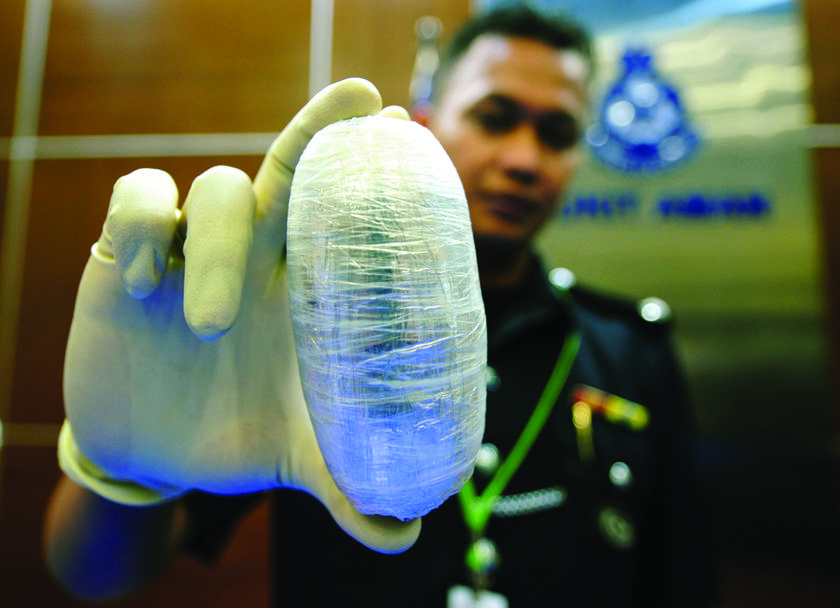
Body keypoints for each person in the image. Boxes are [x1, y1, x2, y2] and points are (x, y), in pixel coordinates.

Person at [43, 6, 717, 607]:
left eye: (558, 133)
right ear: (428, 118)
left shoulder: (629, 351)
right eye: (494, 117)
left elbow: (680, 577)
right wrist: (125, 471)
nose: (523, 159)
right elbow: (93, 576)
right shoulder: (293, 327)